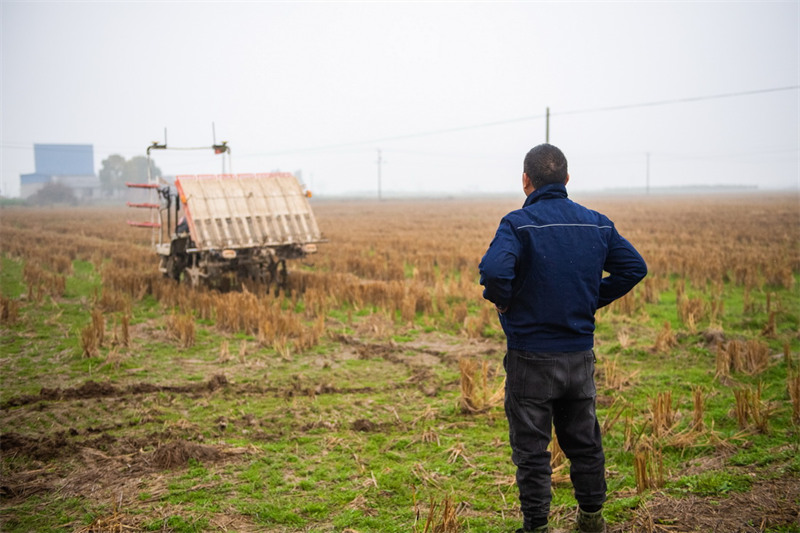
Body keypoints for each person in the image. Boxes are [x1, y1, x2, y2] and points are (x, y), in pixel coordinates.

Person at [479, 144, 647, 533]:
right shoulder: (597, 223)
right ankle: (591, 520)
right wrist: (588, 299)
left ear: (526, 180)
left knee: (532, 451)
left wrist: (505, 302)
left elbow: (494, 271)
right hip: (578, 357)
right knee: (585, 445)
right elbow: (633, 268)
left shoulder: (517, 224)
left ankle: (537, 527)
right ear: (567, 179)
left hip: (530, 360)